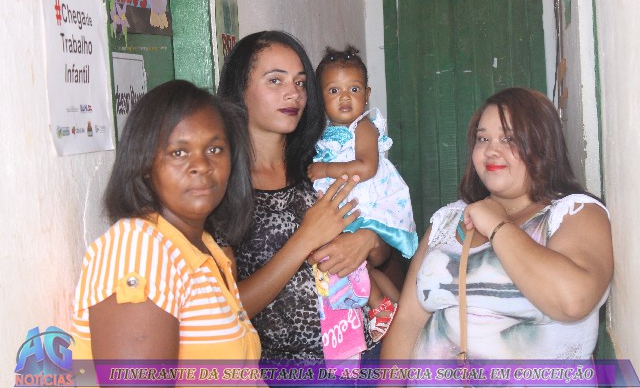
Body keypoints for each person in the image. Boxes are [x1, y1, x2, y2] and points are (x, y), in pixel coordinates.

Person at [381, 87, 613, 362]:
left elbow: (572, 301)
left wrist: (497, 225)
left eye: (508, 138)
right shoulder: (448, 219)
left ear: (542, 144)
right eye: (483, 138)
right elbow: (408, 321)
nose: (491, 150)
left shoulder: (575, 213)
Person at [216, 30, 391, 360]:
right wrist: (305, 239)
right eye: (275, 80)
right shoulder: (220, 187)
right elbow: (226, 311)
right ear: (240, 89)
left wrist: (366, 240)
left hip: (361, 355)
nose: (293, 93)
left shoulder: (322, 164)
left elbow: (381, 252)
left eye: (300, 82)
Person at [71, 80, 261, 363]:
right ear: (145, 164)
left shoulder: (204, 247)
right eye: (178, 153)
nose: (202, 166)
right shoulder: (137, 248)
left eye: (215, 149)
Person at [308, 46, 418, 347]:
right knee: (356, 264)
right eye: (334, 90)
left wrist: (325, 169)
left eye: (354, 89)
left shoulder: (364, 127)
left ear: (367, 95)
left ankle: (383, 305)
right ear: (319, 97)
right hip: (348, 205)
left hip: (367, 204)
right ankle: (391, 307)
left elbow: (366, 167)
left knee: (352, 259)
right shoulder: (322, 134)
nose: (345, 97)